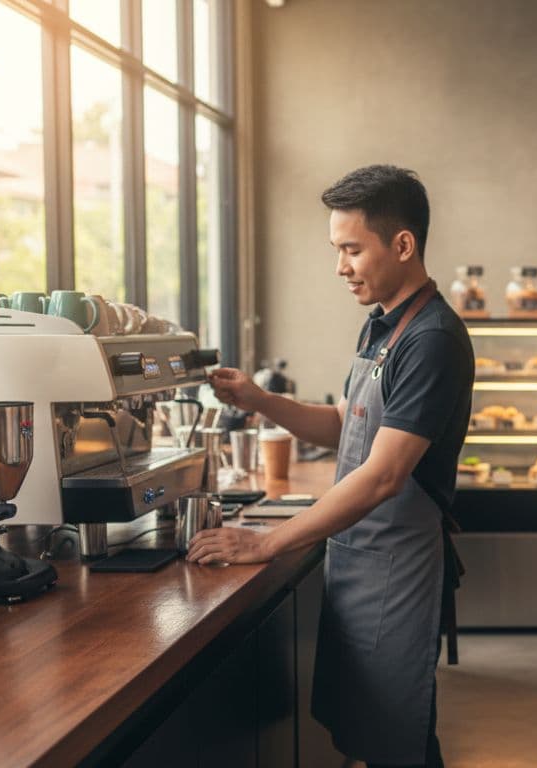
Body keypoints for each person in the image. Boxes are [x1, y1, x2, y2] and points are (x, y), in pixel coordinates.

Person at [188, 165, 474, 768]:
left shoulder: (432, 338)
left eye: (352, 249)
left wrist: (266, 544)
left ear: (403, 244)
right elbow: (345, 424)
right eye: (336, 249)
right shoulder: (384, 325)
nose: (340, 266)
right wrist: (259, 400)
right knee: (372, 736)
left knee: (402, 739)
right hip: (359, 559)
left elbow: (385, 474)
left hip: (397, 568)